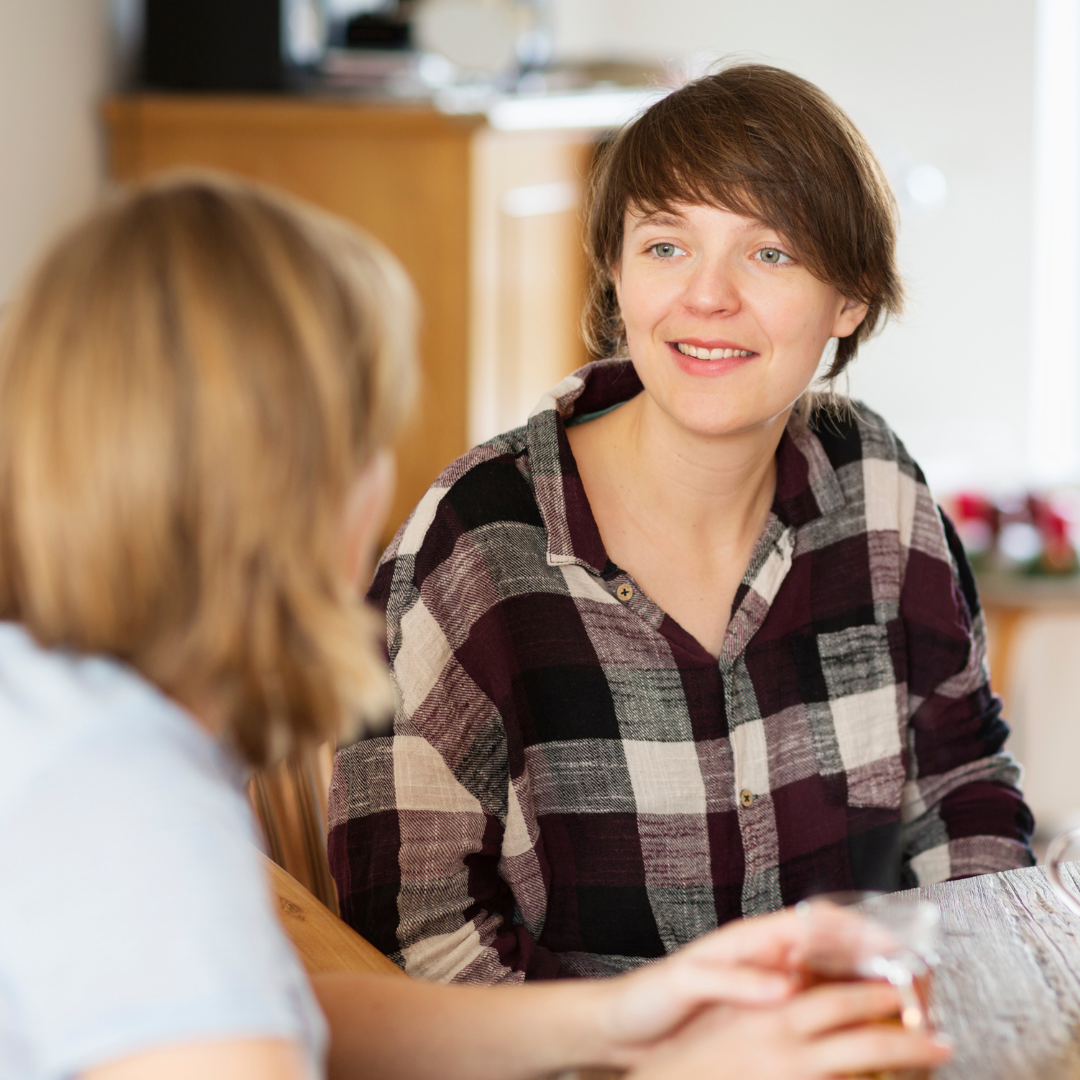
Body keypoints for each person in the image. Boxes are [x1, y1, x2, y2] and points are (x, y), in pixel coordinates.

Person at [0, 173, 951, 1080]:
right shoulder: (120, 816)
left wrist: (625, 1015)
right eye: (372, 438)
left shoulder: (64, 728)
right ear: (294, 490)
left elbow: (273, 1011)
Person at [329, 63, 1036, 984]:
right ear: (616, 271)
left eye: (769, 252)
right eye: (666, 246)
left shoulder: (876, 485)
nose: (708, 297)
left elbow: (961, 787)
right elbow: (417, 941)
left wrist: (964, 1009)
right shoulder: (475, 546)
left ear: (850, 298)